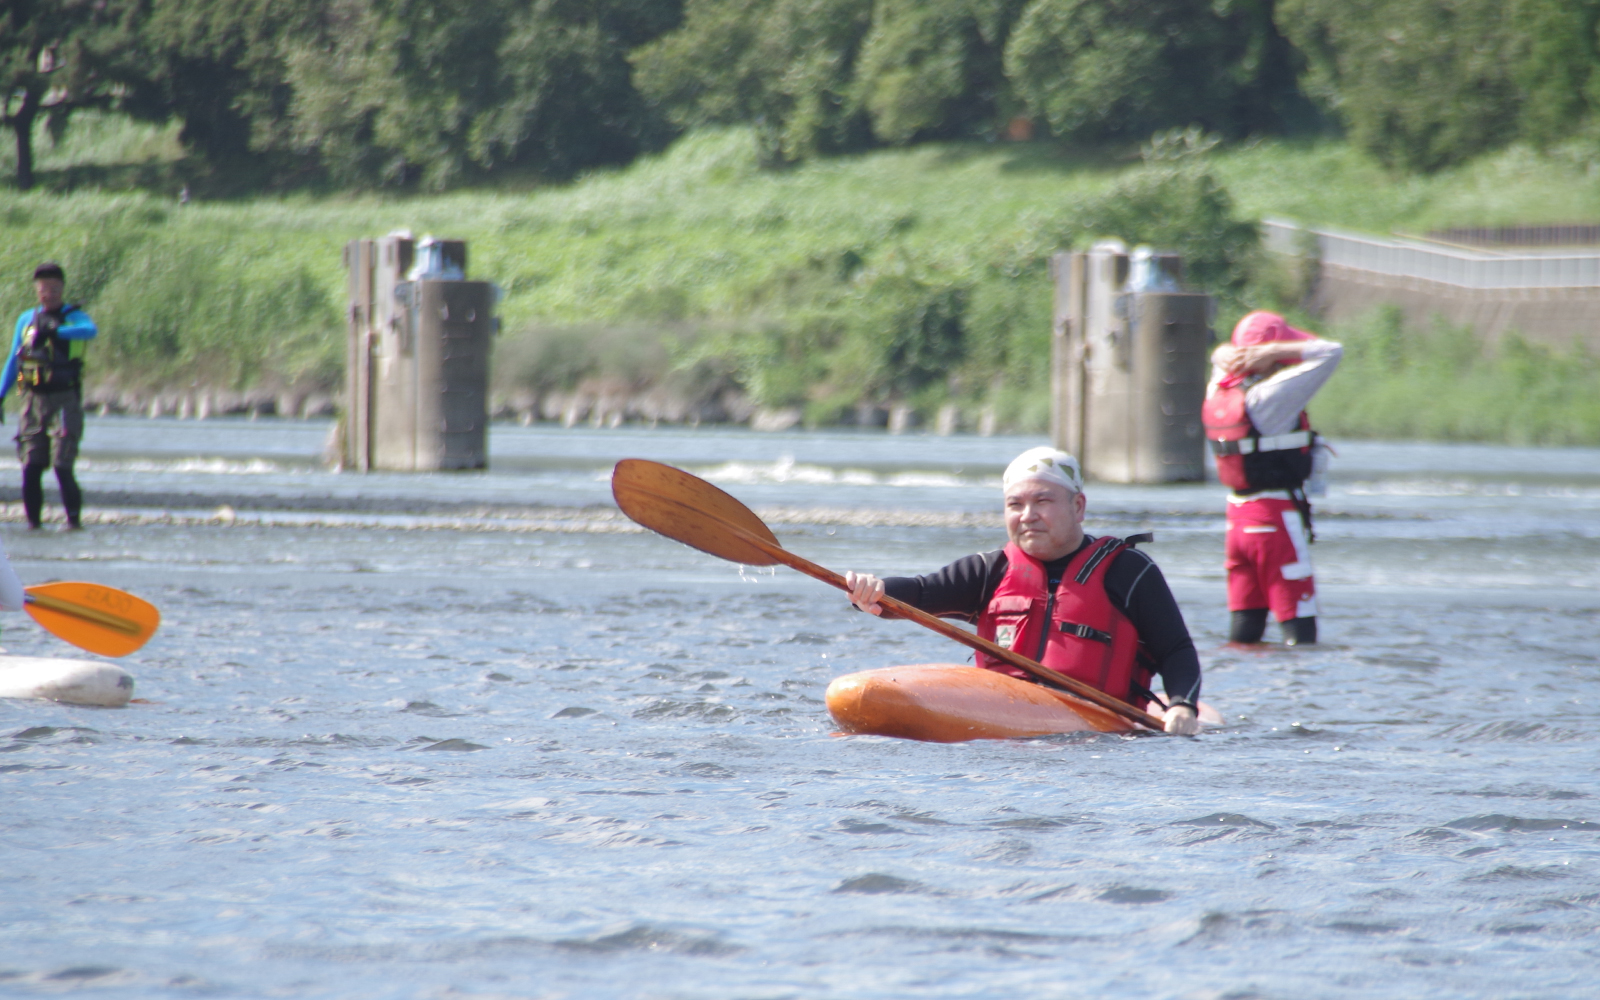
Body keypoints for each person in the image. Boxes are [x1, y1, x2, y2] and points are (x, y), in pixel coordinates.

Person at [844, 446, 1205, 736]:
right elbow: (920, 594)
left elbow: (1176, 650)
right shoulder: (990, 570)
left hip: (1099, 730)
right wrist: (872, 592)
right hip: (1003, 719)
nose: (1027, 515)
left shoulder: (1129, 572)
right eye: (1015, 505)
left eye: (1042, 501)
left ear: (1078, 507)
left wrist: (1183, 705)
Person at [1203, 311, 1342, 646]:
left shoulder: (1219, 386)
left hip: (1236, 521)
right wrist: (1275, 352)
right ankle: (1298, 694)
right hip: (1274, 522)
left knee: (1245, 629)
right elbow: (1331, 351)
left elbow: (1219, 356)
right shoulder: (1270, 398)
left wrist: (1234, 352)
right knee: (1301, 635)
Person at [3, 262, 97, 530]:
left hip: (65, 400)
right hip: (33, 401)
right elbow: (14, 360)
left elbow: (90, 331)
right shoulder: (26, 320)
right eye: (44, 288)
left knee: (62, 466)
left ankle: (74, 524)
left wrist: (55, 331)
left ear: (62, 289)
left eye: (54, 288)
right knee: (31, 467)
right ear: (37, 290)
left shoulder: (74, 318)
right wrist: (1, 394)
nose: (49, 294)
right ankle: (34, 526)